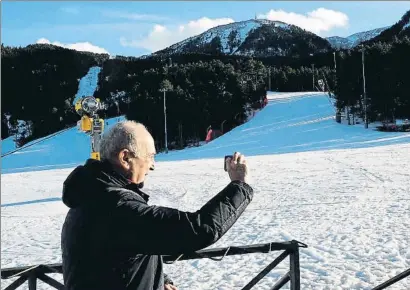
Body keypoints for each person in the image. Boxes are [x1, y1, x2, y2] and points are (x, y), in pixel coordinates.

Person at [61, 120, 253, 290]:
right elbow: (198, 229)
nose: (152, 165)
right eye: (150, 156)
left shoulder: (88, 196)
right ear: (125, 158)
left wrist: (160, 281)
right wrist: (240, 185)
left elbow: (121, 259)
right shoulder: (117, 208)